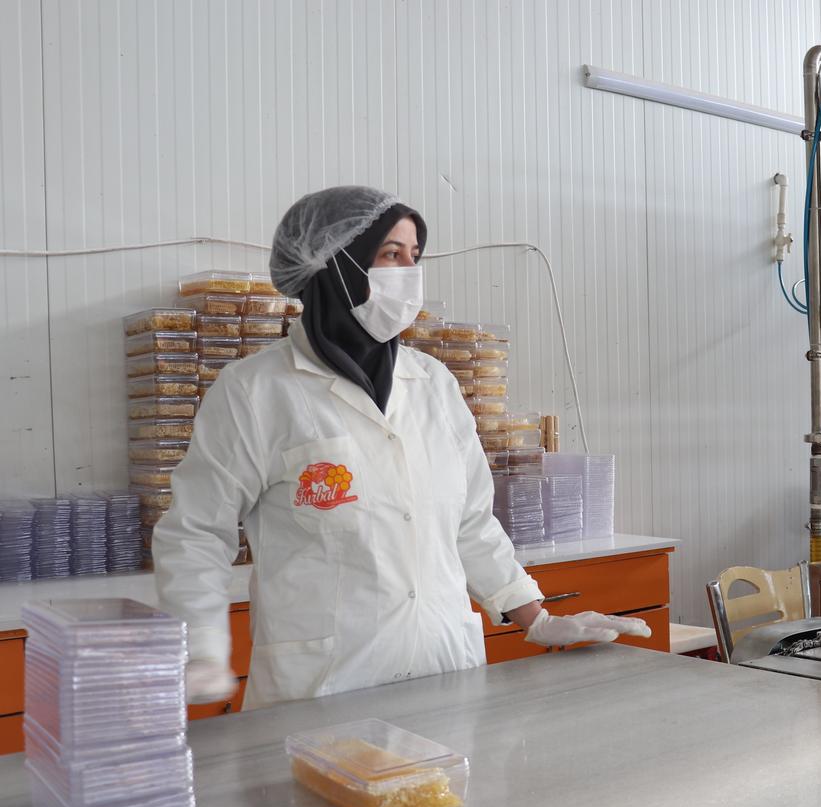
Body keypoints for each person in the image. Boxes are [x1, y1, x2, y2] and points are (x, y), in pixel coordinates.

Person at [154, 185, 648, 709]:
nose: (408, 274)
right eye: (391, 254)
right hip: (326, 687)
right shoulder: (255, 391)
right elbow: (196, 534)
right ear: (333, 264)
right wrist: (203, 649)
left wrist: (537, 617)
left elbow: (471, 523)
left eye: (415, 257)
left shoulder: (433, 383)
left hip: (447, 674)